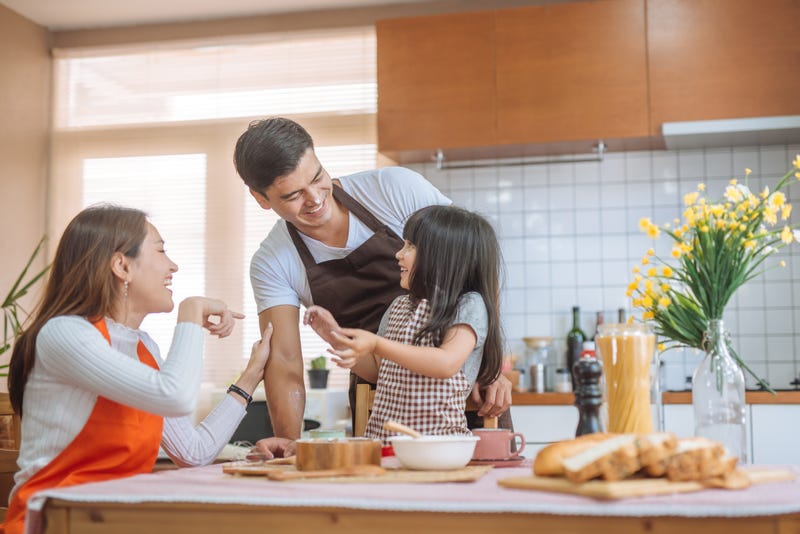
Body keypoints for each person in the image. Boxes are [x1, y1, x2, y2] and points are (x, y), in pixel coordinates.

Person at [233, 117, 512, 456]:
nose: (315, 199)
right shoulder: (273, 261)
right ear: (261, 199)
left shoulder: (394, 188)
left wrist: (492, 367)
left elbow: (473, 262)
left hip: (468, 388)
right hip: (384, 399)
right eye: (293, 195)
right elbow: (285, 361)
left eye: (318, 177)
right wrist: (291, 443)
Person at [2, 205, 272, 534]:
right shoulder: (65, 333)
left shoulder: (143, 348)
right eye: (160, 251)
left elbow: (194, 452)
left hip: (113, 520)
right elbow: (174, 396)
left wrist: (251, 375)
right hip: (52, 522)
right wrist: (190, 312)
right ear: (121, 265)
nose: (173, 265)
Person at [305, 205, 503, 443]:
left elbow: (445, 363)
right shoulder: (399, 305)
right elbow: (378, 371)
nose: (399, 254)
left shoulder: (468, 305)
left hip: (439, 447)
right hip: (385, 444)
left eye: (410, 246)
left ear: (444, 258)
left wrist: (376, 343)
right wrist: (334, 336)